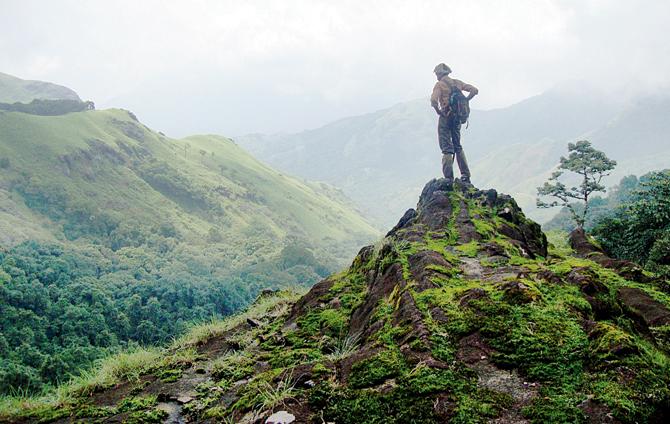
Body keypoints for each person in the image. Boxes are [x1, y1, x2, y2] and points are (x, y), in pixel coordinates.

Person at [430, 63, 478, 188]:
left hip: (445, 118)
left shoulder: (439, 85)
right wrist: (466, 100)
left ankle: (448, 179)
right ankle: (465, 175)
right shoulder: (457, 83)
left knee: (446, 148)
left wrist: (439, 111)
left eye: (436, 74)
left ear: (439, 73)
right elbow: (474, 90)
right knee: (458, 146)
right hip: (457, 118)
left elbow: (433, 100)